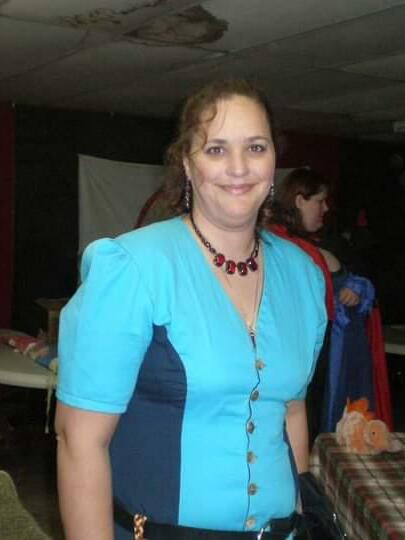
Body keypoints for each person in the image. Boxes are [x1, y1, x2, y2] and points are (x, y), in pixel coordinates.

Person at [55, 80, 327, 540]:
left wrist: (302, 519)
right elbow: (79, 441)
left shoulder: (303, 275)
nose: (238, 167)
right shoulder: (133, 268)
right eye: (216, 149)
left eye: (255, 147)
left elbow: (291, 412)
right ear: (187, 162)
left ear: (273, 161)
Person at [270, 167, 377, 441]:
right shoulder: (276, 245)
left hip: (328, 354)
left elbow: (357, 278)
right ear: (299, 201)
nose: (325, 208)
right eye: (319, 201)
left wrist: (356, 288)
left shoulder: (318, 241)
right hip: (300, 357)